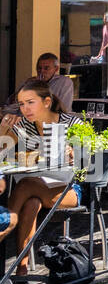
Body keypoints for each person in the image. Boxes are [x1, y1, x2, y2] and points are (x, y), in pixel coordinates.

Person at [0, 80, 86, 272]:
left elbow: (89, 159)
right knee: (31, 203)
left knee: (26, 185)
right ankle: (21, 269)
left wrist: (74, 153)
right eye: (21, 104)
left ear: (47, 102)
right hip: (35, 188)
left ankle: (5, 225)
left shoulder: (71, 123)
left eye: (30, 102)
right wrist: (3, 128)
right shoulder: (25, 125)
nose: (25, 109)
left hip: (68, 190)